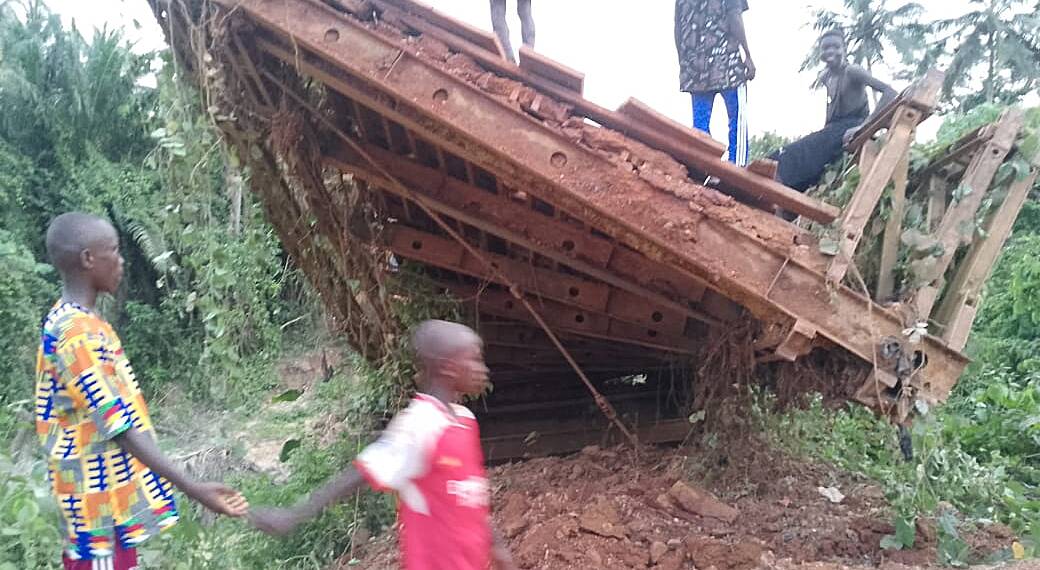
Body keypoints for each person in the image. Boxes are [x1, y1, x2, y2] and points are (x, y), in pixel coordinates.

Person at [35, 212, 249, 570]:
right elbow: (118, 425)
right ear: (88, 259)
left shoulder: (76, 321)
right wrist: (194, 488)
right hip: (97, 513)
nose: (121, 261)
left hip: (105, 508)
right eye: (114, 251)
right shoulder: (77, 334)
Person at [249, 320, 517, 570]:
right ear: (448, 367)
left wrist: (500, 551)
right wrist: (295, 514)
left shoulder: (464, 421)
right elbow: (362, 472)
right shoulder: (420, 424)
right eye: (474, 359)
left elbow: (471, 500)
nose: (483, 368)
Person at [774, 29, 898, 194]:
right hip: (834, 128)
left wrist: (865, 127)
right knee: (795, 152)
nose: (830, 51)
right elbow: (832, 107)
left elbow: (890, 92)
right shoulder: (826, 76)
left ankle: (776, 186)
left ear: (844, 49)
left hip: (854, 124)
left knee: (792, 154)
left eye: (835, 46)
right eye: (825, 48)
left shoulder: (853, 71)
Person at [675, 0, 756, 167]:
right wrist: (748, 55)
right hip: (727, 64)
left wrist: (683, 62)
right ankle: (737, 169)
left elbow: (678, 29)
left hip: (695, 67)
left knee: (700, 123)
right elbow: (734, 17)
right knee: (737, 118)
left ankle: (702, 167)